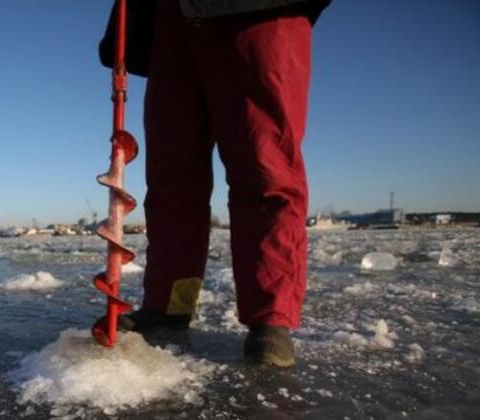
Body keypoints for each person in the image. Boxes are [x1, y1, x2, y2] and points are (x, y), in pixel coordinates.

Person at [101, 0, 330, 367]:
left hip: (257, 12)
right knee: (171, 179)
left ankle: (270, 318)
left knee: (264, 165)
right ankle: (170, 305)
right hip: (169, 19)